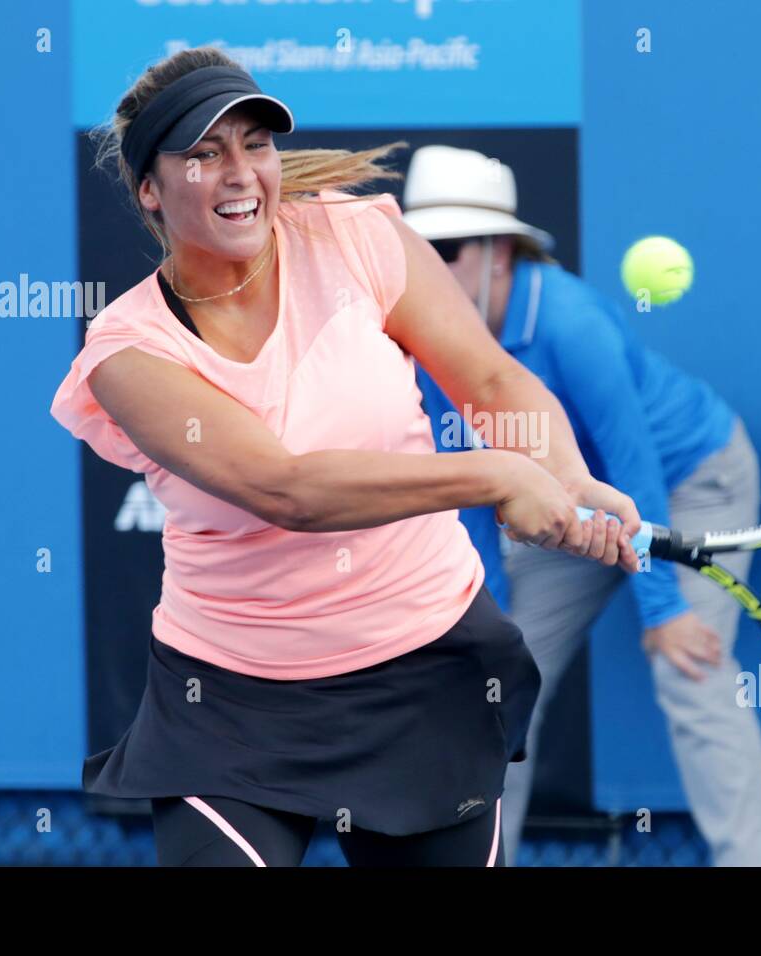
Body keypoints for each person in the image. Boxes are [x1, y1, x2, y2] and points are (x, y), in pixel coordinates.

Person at [49, 48, 644, 867]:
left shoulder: (358, 235)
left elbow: (493, 380)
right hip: (228, 702)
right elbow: (286, 489)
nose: (240, 173)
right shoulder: (127, 352)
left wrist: (566, 478)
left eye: (254, 144)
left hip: (424, 664)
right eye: (203, 153)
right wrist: (499, 475)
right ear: (150, 189)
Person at [404, 145, 761, 866]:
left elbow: (631, 463)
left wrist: (664, 610)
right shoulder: (428, 344)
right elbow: (471, 491)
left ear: (496, 251)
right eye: (418, 251)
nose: (431, 267)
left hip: (690, 483)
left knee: (690, 671)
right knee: (491, 689)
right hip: (582, 501)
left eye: (446, 248)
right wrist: (483, 620)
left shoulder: (570, 323)